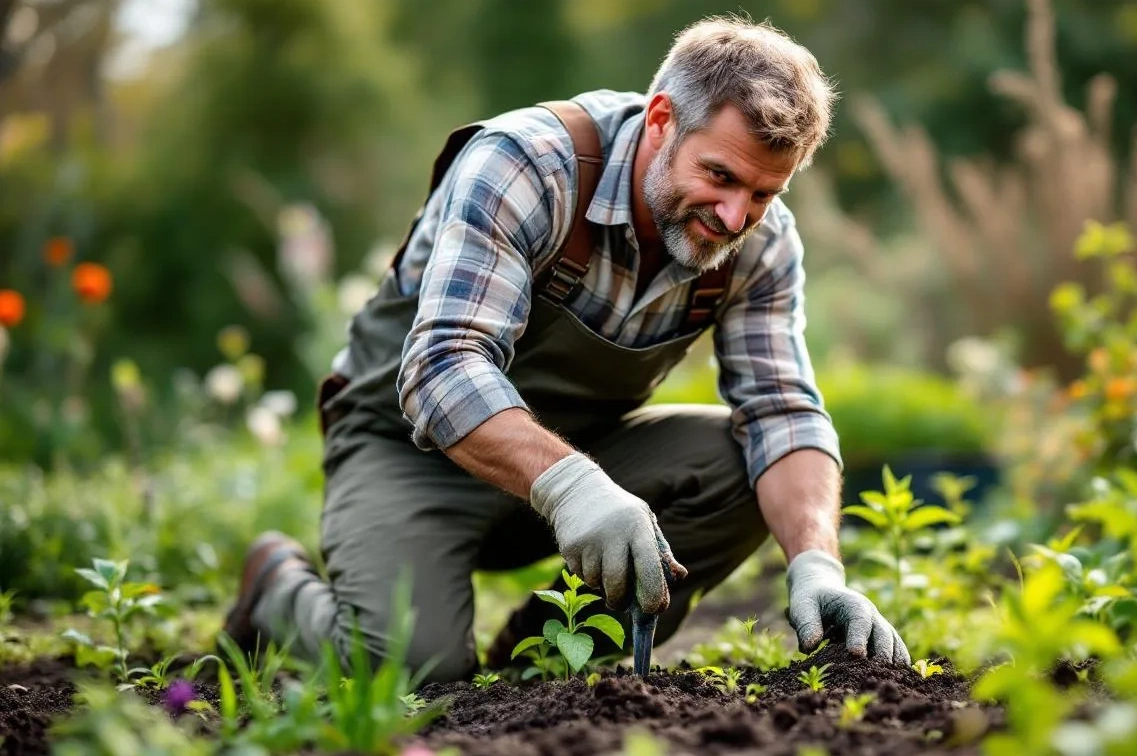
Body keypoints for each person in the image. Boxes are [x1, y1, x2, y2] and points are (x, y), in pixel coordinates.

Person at [223, 14, 909, 683]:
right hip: (407, 452)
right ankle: (277, 590)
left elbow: (783, 412)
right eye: (721, 176)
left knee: (739, 465)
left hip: (585, 463)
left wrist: (817, 564)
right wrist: (574, 488)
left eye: (763, 193)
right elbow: (441, 368)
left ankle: (538, 666)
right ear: (662, 120)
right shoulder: (527, 166)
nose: (735, 217)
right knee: (407, 668)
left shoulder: (761, 243)